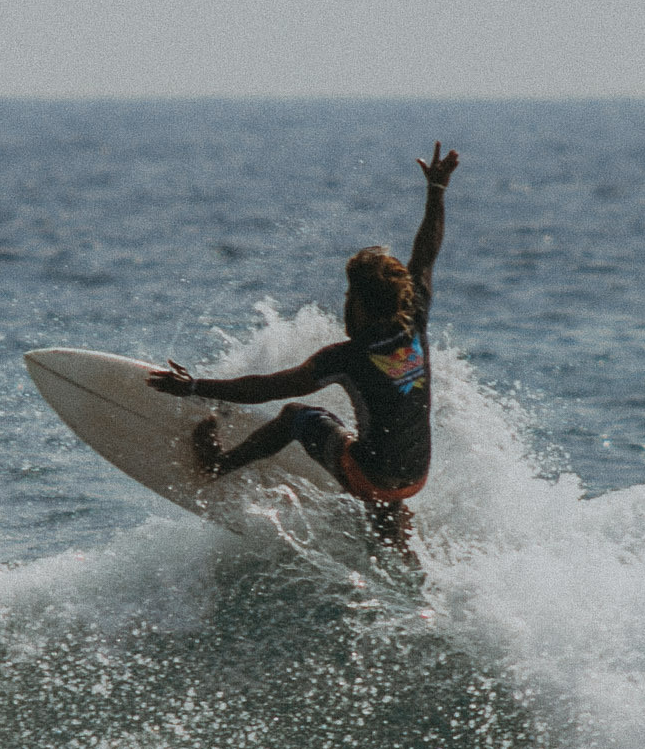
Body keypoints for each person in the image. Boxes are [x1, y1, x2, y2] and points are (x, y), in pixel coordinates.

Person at [149, 144, 460, 563]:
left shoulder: (347, 357)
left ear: (363, 304)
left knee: (299, 416)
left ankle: (219, 465)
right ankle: (393, 525)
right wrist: (436, 191)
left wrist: (196, 387)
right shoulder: (415, 320)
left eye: (350, 294)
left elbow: (267, 388)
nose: (345, 300)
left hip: (371, 478)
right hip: (416, 475)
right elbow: (425, 255)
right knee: (381, 446)